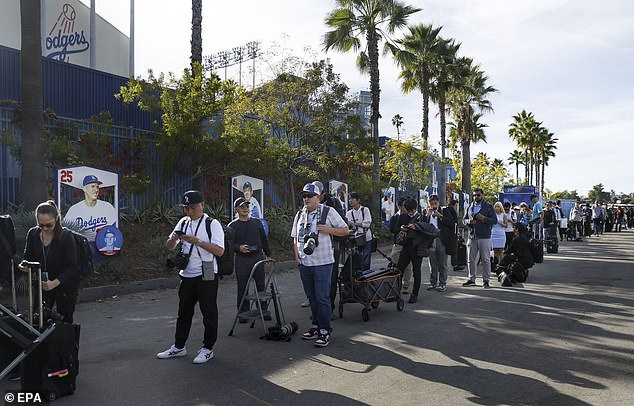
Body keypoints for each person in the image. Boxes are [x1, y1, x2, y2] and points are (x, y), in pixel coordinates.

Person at [157, 190, 224, 364]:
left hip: (207, 274)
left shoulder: (212, 223)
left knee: (209, 312)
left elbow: (220, 251)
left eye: (193, 207)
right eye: (186, 208)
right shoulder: (183, 222)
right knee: (183, 312)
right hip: (187, 275)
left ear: (202, 205)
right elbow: (169, 246)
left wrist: (198, 241)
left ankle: (208, 348)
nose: (189, 211)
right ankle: (179, 346)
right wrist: (173, 238)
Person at [291, 182, 348, 348]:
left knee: (322, 297)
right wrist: (297, 256)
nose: (306, 198)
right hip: (304, 262)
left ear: (318, 196)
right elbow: (295, 237)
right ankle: (316, 326)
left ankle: (325, 330)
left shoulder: (328, 211)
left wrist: (328, 229)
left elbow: (345, 230)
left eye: (310, 195)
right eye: (304, 196)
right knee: (312, 297)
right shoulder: (300, 214)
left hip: (323, 262)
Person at [20, 200, 79, 323]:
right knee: (37, 320)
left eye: (49, 225)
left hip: (64, 284)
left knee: (65, 321)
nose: (45, 228)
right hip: (42, 283)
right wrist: (25, 265)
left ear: (56, 219)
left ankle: (69, 342)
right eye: (41, 225)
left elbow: (73, 267)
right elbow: (27, 257)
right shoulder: (33, 233)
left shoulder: (66, 236)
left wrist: (55, 283)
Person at [228, 197, 272, 323]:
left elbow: (264, 240)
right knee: (243, 288)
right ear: (236, 209)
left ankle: (263, 311)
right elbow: (228, 245)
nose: (245, 209)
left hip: (257, 258)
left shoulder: (257, 222)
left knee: (260, 286)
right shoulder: (232, 225)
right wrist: (238, 248)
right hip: (242, 260)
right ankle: (243, 313)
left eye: (246, 206)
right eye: (242, 207)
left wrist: (268, 254)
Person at [312, 181, 346, 318]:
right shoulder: (308, 206)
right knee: (315, 279)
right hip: (313, 248)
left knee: (330, 279)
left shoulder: (333, 204)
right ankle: (317, 310)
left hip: (332, 246)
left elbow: (343, 225)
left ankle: (329, 308)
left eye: (315, 194)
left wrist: (329, 230)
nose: (311, 197)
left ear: (322, 194)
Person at [64, 175, 117, 241]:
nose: (96, 190)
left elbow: (115, 230)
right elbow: (65, 232)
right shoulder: (74, 210)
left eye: (97, 187)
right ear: (84, 189)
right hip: (82, 246)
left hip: (102, 247)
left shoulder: (107, 207)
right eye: (92, 186)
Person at [462, 188, 497, 288]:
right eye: (474, 195)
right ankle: (471, 279)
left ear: (482, 195)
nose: (476, 197)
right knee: (471, 259)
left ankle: (486, 280)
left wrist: (484, 219)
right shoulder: (470, 206)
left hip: (484, 236)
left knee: (485, 259)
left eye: (478, 195)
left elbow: (494, 221)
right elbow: (464, 220)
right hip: (472, 235)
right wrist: (469, 222)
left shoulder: (488, 206)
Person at [394, 198, 426, 303]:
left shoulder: (421, 217)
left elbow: (427, 231)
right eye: (408, 211)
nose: (409, 213)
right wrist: (402, 228)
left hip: (418, 248)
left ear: (415, 208)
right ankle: (395, 292)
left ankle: (414, 294)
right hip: (406, 247)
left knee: (416, 271)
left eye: (411, 211)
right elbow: (395, 229)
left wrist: (416, 227)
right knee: (399, 270)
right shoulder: (403, 216)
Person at [424, 195, 455, 292]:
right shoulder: (426, 212)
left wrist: (440, 216)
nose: (433, 206)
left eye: (435, 204)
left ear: (438, 203)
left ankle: (442, 283)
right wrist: (427, 216)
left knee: (442, 263)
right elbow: (422, 225)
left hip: (442, 238)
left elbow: (451, 223)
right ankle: (433, 282)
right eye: (431, 204)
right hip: (430, 238)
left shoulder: (444, 211)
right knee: (432, 263)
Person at [390, 197, 413, 292]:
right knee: (394, 262)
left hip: (408, 244)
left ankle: (405, 286)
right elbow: (392, 230)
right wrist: (400, 228)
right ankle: (395, 284)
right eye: (404, 205)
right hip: (398, 243)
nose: (405, 207)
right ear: (399, 206)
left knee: (408, 266)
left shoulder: (411, 216)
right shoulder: (395, 217)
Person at [346, 192, 373, 271]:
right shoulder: (348, 213)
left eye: (352, 199)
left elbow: (367, 223)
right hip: (354, 239)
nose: (350, 201)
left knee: (366, 258)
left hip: (366, 238)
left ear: (358, 200)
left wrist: (353, 224)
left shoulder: (365, 210)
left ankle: (366, 276)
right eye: (349, 199)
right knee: (356, 259)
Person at [446, 199, 462, 272]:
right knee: (454, 249)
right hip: (452, 232)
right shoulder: (451, 210)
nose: (457, 207)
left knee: (453, 248)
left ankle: (455, 263)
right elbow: (454, 222)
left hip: (451, 232)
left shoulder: (447, 209)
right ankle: (454, 264)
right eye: (456, 205)